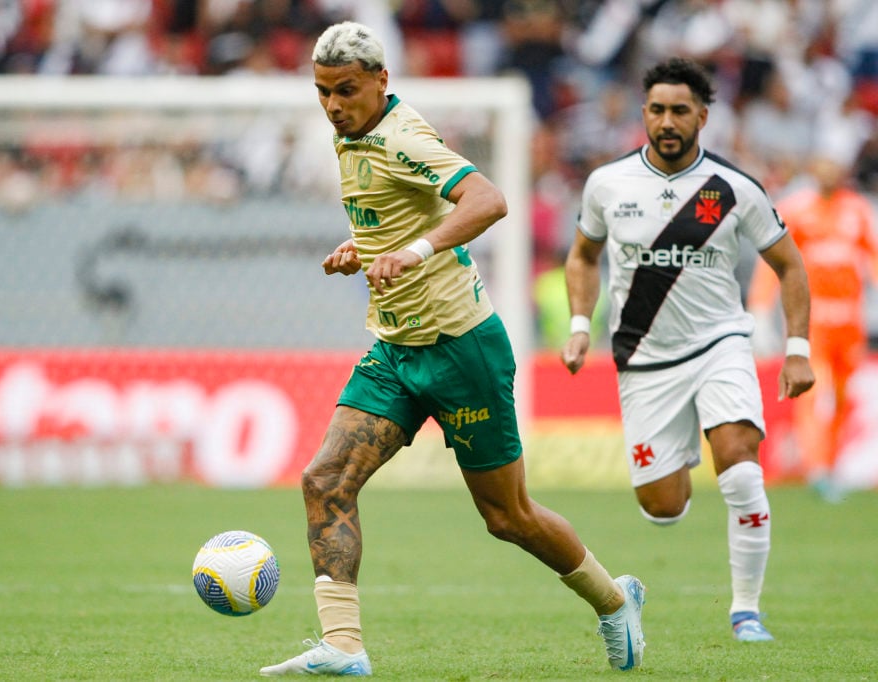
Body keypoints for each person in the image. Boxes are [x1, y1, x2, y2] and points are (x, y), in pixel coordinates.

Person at [260, 21, 645, 677]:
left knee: (507, 516)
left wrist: (414, 251)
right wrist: (370, 248)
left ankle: (615, 603)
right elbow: (399, 213)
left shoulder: (402, 137)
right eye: (323, 92)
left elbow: (486, 200)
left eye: (345, 90)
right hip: (396, 351)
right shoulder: (348, 132)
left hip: (462, 349)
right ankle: (344, 646)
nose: (332, 105)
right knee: (324, 481)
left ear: (382, 81)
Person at [561, 57, 815, 643]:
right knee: (663, 507)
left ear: (702, 115)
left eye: (679, 110)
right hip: (644, 359)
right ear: (643, 114)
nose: (667, 121)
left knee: (740, 465)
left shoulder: (734, 188)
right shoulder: (608, 183)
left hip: (719, 343)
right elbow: (582, 255)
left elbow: (790, 266)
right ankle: (689, 454)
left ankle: (746, 611)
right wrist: (580, 323)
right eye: (656, 110)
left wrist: (797, 348)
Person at [748, 150, 878, 502]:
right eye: (823, 163)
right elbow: (776, 262)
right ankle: (817, 468)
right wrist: (760, 309)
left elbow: (873, 258)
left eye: (835, 163)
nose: (829, 170)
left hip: (850, 321)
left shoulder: (857, 210)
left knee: (841, 396)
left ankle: (831, 467)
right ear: (813, 167)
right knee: (817, 394)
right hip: (812, 320)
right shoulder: (795, 209)